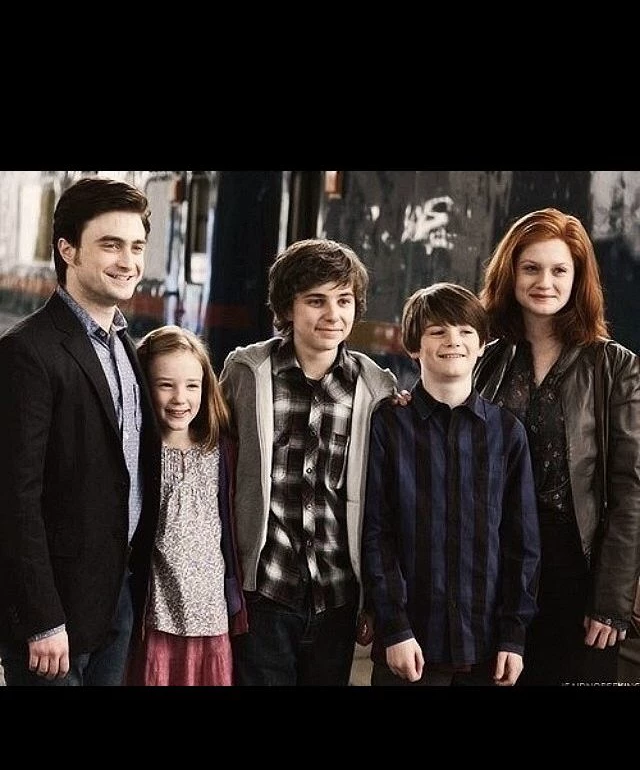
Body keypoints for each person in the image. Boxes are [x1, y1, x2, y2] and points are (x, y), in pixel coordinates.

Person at [218, 237, 403, 686]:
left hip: (337, 594)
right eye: (316, 301)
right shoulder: (247, 372)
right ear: (288, 307)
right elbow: (218, 469)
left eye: (344, 300)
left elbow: (383, 501)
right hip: (265, 590)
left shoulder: (376, 388)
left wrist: (372, 600)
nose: (332, 314)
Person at [0, 176, 161, 686]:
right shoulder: (27, 351)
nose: (128, 261)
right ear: (67, 249)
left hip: (116, 601)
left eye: (137, 246)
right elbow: (13, 498)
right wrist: (41, 618)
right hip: (54, 618)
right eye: (111, 245)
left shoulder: (125, 346)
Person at [475, 207, 640, 686]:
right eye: (531, 268)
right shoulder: (485, 358)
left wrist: (612, 600)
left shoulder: (615, 367)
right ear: (511, 273)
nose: (544, 282)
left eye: (559, 270)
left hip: (576, 569)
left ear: (577, 278)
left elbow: (631, 489)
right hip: (493, 565)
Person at [362, 282, 540, 686]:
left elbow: (522, 545)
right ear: (413, 346)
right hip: (410, 644)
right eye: (437, 331)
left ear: (482, 346)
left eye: (465, 331)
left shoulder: (507, 433)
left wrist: (514, 635)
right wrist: (395, 627)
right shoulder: (388, 425)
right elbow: (377, 534)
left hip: (486, 648)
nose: (453, 341)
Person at [125, 325, 247, 686]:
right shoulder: (138, 451)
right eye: (166, 385)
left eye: (192, 385)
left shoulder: (221, 449)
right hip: (154, 620)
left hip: (212, 618)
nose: (180, 398)